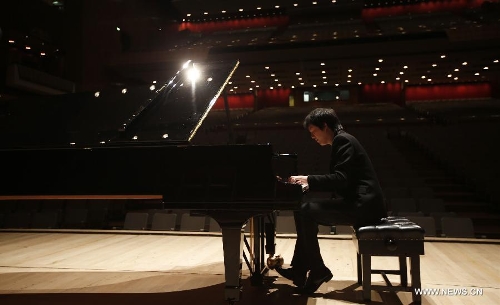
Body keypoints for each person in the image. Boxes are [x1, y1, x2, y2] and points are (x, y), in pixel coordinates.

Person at [276, 107, 387, 294]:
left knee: (304, 211)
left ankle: (317, 270)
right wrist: (309, 183)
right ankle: (300, 270)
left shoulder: (342, 141)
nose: (312, 137)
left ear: (325, 126)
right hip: (362, 203)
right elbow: (343, 180)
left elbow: (341, 179)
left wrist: (308, 179)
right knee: (304, 209)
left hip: (364, 206)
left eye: (313, 132)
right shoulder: (343, 140)